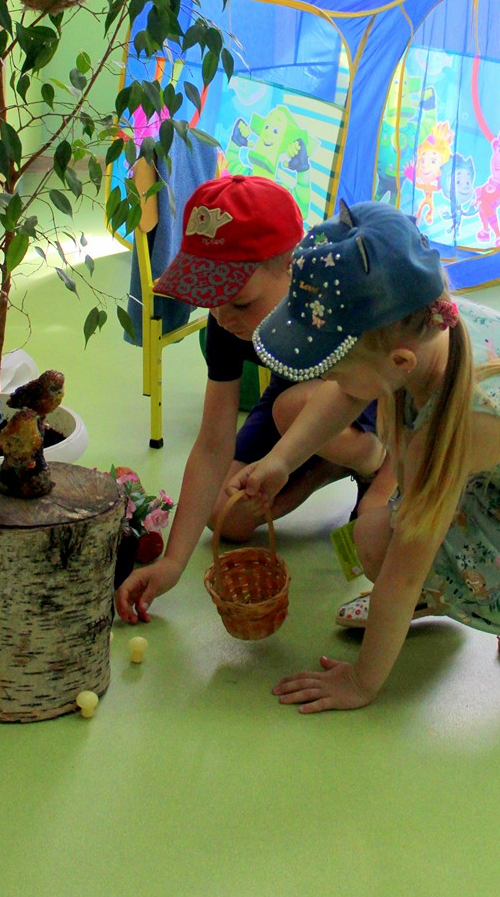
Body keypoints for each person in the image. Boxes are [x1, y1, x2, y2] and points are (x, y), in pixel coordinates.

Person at [233, 202, 500, 713]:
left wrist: (361, 683)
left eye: (332, 369)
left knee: (378, 543)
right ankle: (438, 590)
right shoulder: (426, 329)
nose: (327, 381)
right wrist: (282, 461)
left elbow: (402, 572)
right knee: (379, 532)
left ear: (399, 363)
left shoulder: (456, 422)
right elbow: (350, 391)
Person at [114, 173, 391, 624]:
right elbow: (212, 444)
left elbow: (399, 396)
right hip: (295, 407)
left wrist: (379, 485)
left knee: (291, 410)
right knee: (228, 515)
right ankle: (327, 464)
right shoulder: (225, 320)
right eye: (211, 300)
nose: (222, 317)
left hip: (376, 414)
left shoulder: (335, 304)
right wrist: (173, 563)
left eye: (239, 302)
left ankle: (368, 461)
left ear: (293, 267)